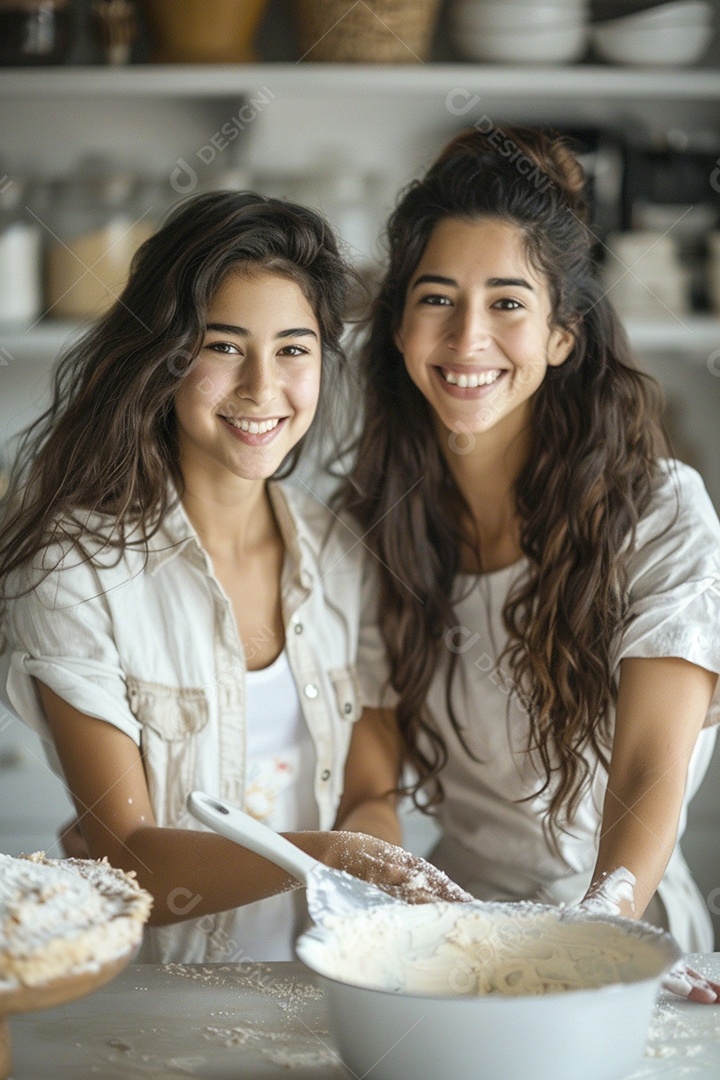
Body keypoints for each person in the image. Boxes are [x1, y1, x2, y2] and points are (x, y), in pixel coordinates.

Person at [0, 190, 466, 965]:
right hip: (161, 1012)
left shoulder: (343, 552)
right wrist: (338, 857)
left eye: (293, 348)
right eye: (223, 346)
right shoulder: (76, 567)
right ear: (166, 356)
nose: (261, 386)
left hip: (331, 991)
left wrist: (371, 863)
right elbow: (127, 859)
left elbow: (369, 796)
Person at [339, 125, 720, 998]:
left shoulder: (660, 512)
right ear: (400, 325)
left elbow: (647, 769)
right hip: (453, 924)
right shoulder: (373, 526)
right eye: (437, 298)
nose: (468, 338)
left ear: (562, 334)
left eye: (508, 302)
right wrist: (383, 898)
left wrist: (601, 931)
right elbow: (370, 779)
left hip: (629, 929)